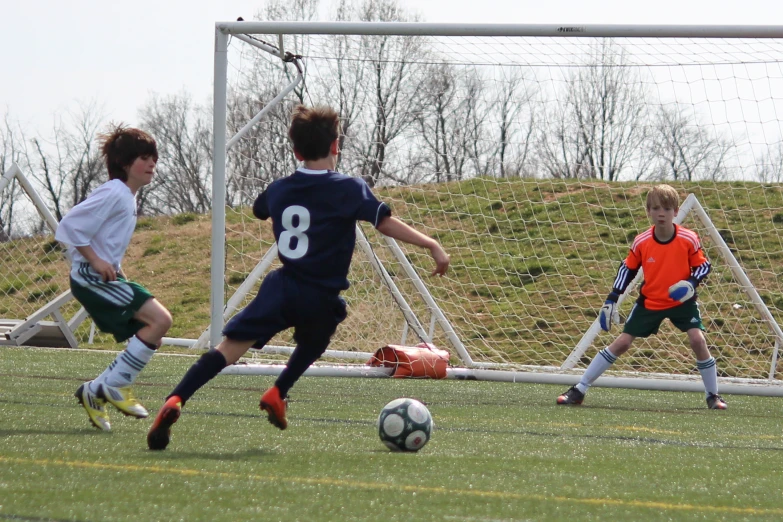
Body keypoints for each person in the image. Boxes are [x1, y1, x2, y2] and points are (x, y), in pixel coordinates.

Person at [147, 104, 450, 450]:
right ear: (336, 146)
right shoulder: (349, 189)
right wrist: (430, 244)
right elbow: (383, 222)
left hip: (281, 287)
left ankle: (176, 399)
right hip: (320, 293)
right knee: (316, 339)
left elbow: (259, 209)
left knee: (229, 348)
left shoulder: (279, 190)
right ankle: (279, 390)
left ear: (295, 150)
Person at [556, 184, 726, 410]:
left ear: (676, 211)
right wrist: (612, 297)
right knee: (622, 343)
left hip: (682, 303)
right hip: (650, 303)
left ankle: (713, 396)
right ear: (648, 212)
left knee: (698, 340)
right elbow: (627, 268)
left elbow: (704, 265)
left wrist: (691, 283)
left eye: (666, 208)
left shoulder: (688, 238)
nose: (661, 213)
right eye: (655, 208)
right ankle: (579, 390)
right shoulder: (642, 241)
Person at [55, 124, 173, 431]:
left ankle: (94, 391)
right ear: (124, 164)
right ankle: (117, 384)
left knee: (154, 333)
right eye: (144, 158)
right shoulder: (115, 192)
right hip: (89, 278)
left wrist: (116, 269)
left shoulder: (126, 197)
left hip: (102, 278)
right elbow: (69, 225)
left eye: (153, 158)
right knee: (160, 321)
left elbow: (101, 240)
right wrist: (94, 260)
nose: (151, 164)